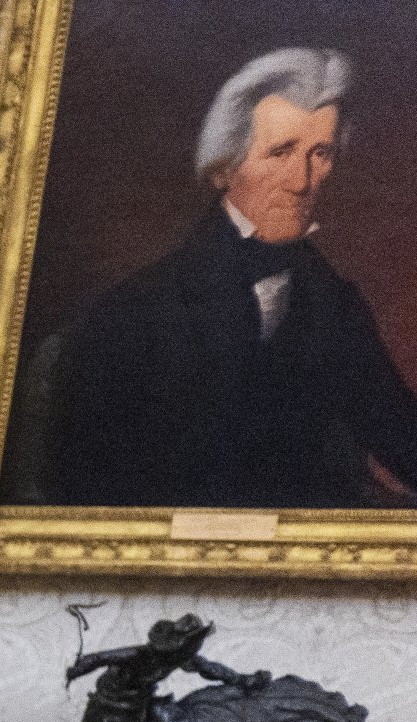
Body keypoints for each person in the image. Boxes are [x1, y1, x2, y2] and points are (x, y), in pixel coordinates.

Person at [50, 48, 417, 509]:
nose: (302, 181)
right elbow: (87, 494)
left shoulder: (331, 302)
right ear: (224, 167)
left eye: (319, 153)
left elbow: (398, 430)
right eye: (281, 151)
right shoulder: (134, 315)